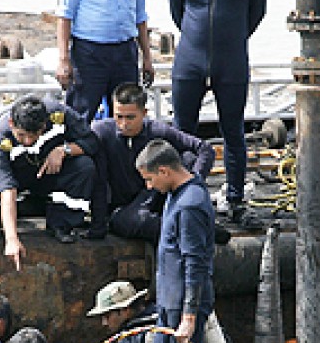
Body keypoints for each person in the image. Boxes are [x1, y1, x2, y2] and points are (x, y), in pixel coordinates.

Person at [106, 140, 214, 343]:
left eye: (150, 180)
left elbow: (195, 264)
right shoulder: (173, 198)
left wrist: (189, 317)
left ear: (165, 171)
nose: (149, 187)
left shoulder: (190, 205)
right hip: (168, 302)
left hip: (184, 307)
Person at [168, 0, 266, 226]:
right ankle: (183, 194)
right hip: (189, 60)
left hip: (231, 59)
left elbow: (257, 10)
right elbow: (177, 11)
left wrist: (233, 37)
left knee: (233, 131)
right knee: (183, 131)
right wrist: (198, 39)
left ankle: (235, 197)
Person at [0, 95, 98, 268]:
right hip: (15, 175)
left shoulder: (60, 115)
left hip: (47, 172)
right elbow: (6, 189)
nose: (28, 141)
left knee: (84, 166)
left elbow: (91, 141)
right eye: (21, 136)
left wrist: (64, 150)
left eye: (34, 135)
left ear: (43, 126)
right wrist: (12, 239)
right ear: (12, 124)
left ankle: (62, 223)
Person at [87, 82, 222, 243]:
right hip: (126, 207)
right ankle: (190, 229)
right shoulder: (103, 133)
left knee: (187, 158)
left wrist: (192, 185)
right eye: (119, 117)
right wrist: (98, 225)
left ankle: (186, 221)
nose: (124, 124)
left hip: (159, 195)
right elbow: (100, 181)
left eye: (130, 117)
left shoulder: (157, 131)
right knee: (131, 222)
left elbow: (204, 149)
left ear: (144, 113)